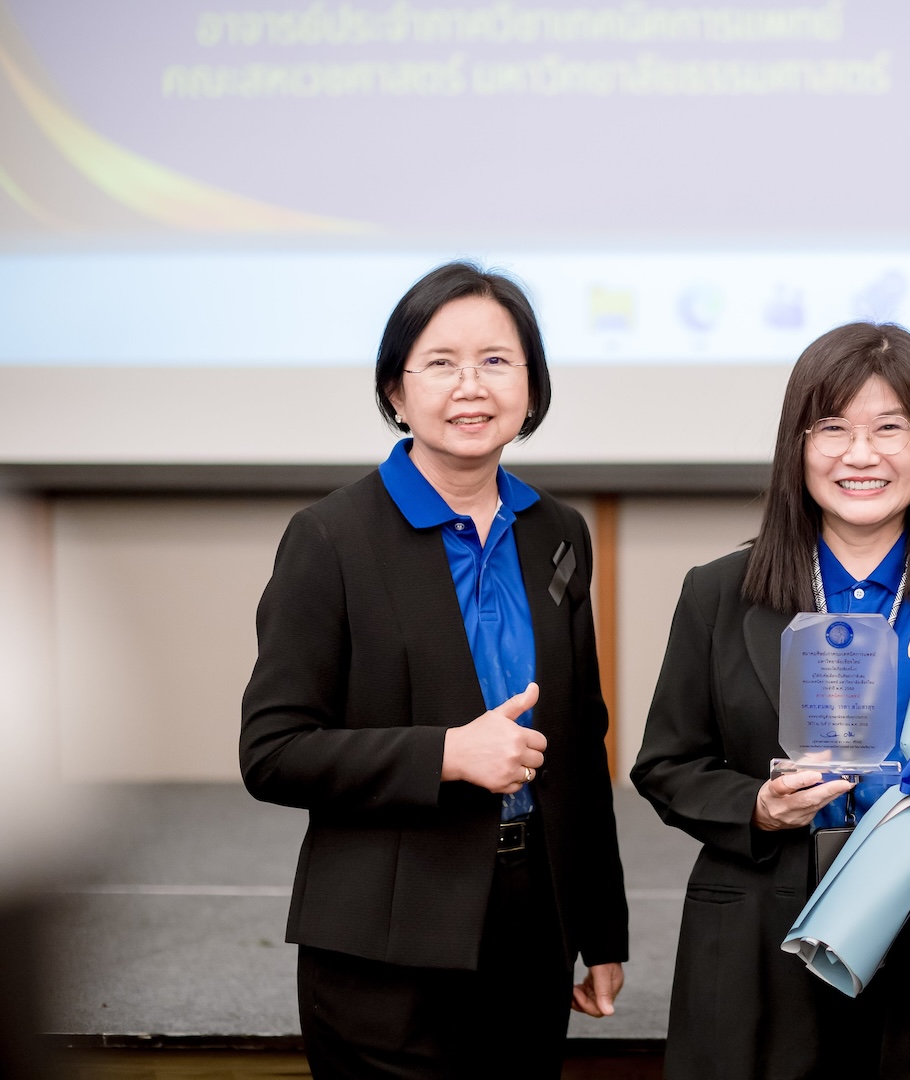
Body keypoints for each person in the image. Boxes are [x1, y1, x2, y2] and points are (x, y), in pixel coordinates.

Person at [241, 262, 628, 1079]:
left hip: (532, 935)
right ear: (395, 391)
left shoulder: (557, 532)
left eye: (496, 361)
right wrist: (447, 754)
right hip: (384, 953)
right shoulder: (330, 539)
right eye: (441, 362)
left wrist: (600, 930)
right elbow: (273, 752)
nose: (470, 386)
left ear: (531, 385)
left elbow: (581, 744)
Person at [632, 323, 910, 1080]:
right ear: (796, 447)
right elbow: (667, 766)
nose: (860, 455)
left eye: (890, 428)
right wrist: (759, 807)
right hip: (759, 948)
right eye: (832, 428)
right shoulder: (719, 592)